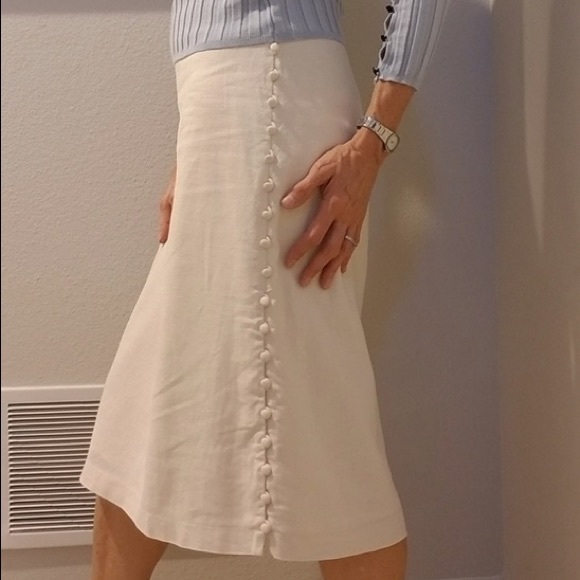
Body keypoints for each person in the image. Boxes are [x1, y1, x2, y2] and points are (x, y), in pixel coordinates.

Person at [80, 1, 449, 578]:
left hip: (275, 102)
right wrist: (193, 146)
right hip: (222, 107)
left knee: (323, 424)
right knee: (143, 423)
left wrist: (373, 142)